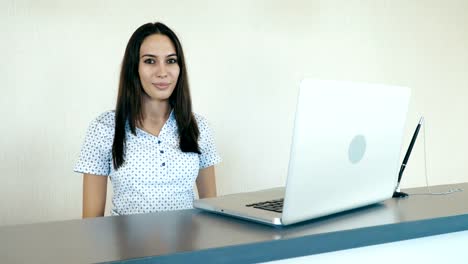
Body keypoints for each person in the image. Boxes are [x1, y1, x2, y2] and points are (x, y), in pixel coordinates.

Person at [74, 22, 221, 218]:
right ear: (134, 67)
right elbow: (91, 222)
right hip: (126, 248)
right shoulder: (104, 128)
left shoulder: (198, 127)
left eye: (171, 61)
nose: (162, 72)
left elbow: (210, 210)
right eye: (150, 61)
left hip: (187, 246)